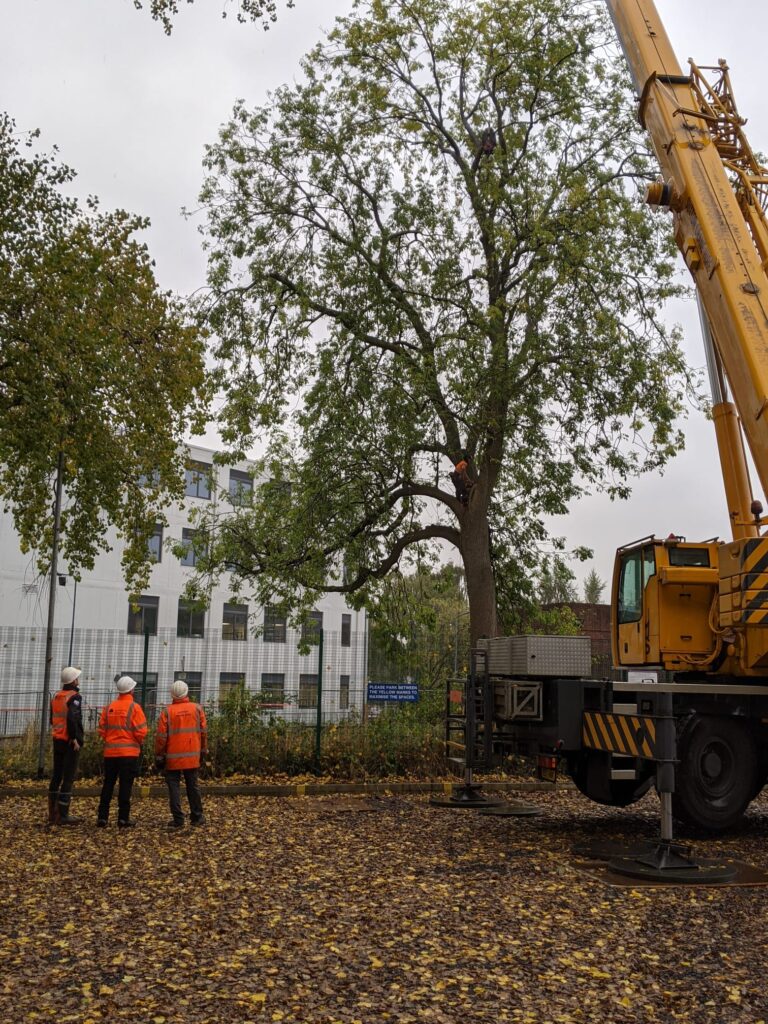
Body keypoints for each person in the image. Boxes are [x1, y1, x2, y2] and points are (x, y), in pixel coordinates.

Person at [96, 676, 148, 828]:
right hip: (129, 754)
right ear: (131, 689)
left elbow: (102, 729)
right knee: (125, 786)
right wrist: (138, 741)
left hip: (110, 754)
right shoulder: (135, 707)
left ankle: (102, 817)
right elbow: (141, 731)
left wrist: (110, 740)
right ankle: (123, 818)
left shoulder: (109, 707)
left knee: (108, 785)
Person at [154, 679, 208, 828]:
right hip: (192, 756)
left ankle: (178, 819)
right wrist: (203, 750)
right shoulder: (197, 709)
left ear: (172, 694)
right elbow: (203, 732)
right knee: (193, 785)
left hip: (172, 758)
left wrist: (159, 755)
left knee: (174, 787)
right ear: (187, 692)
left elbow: (161, 737)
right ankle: (197, 816)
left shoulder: (167, 712)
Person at [48, 666, 84, 826]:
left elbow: (52, 718)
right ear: (73, 680)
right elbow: (72, 719)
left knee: (57, 775)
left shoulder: (56, 696)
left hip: (57, 739)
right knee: (68, 777)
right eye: (77, 678)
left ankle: (52, 813)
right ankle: (63, 814)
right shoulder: (74, 697)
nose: (78, 680)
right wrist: (75, 738)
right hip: (69, 741)